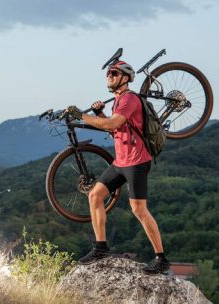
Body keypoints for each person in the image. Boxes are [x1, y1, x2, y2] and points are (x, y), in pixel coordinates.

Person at [65, 61, 170, 274]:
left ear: (125, 77)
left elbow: (112, 125)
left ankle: (161, 259)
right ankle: (101, 248)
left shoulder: (129, 99)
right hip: (121, 161)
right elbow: (116, 130)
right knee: (95, 196)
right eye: (108, 74)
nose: (109, 77)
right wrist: (101, 114)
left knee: (138, 209)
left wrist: (82, 115)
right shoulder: (119, 100)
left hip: (137, 162)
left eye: (114, 73)